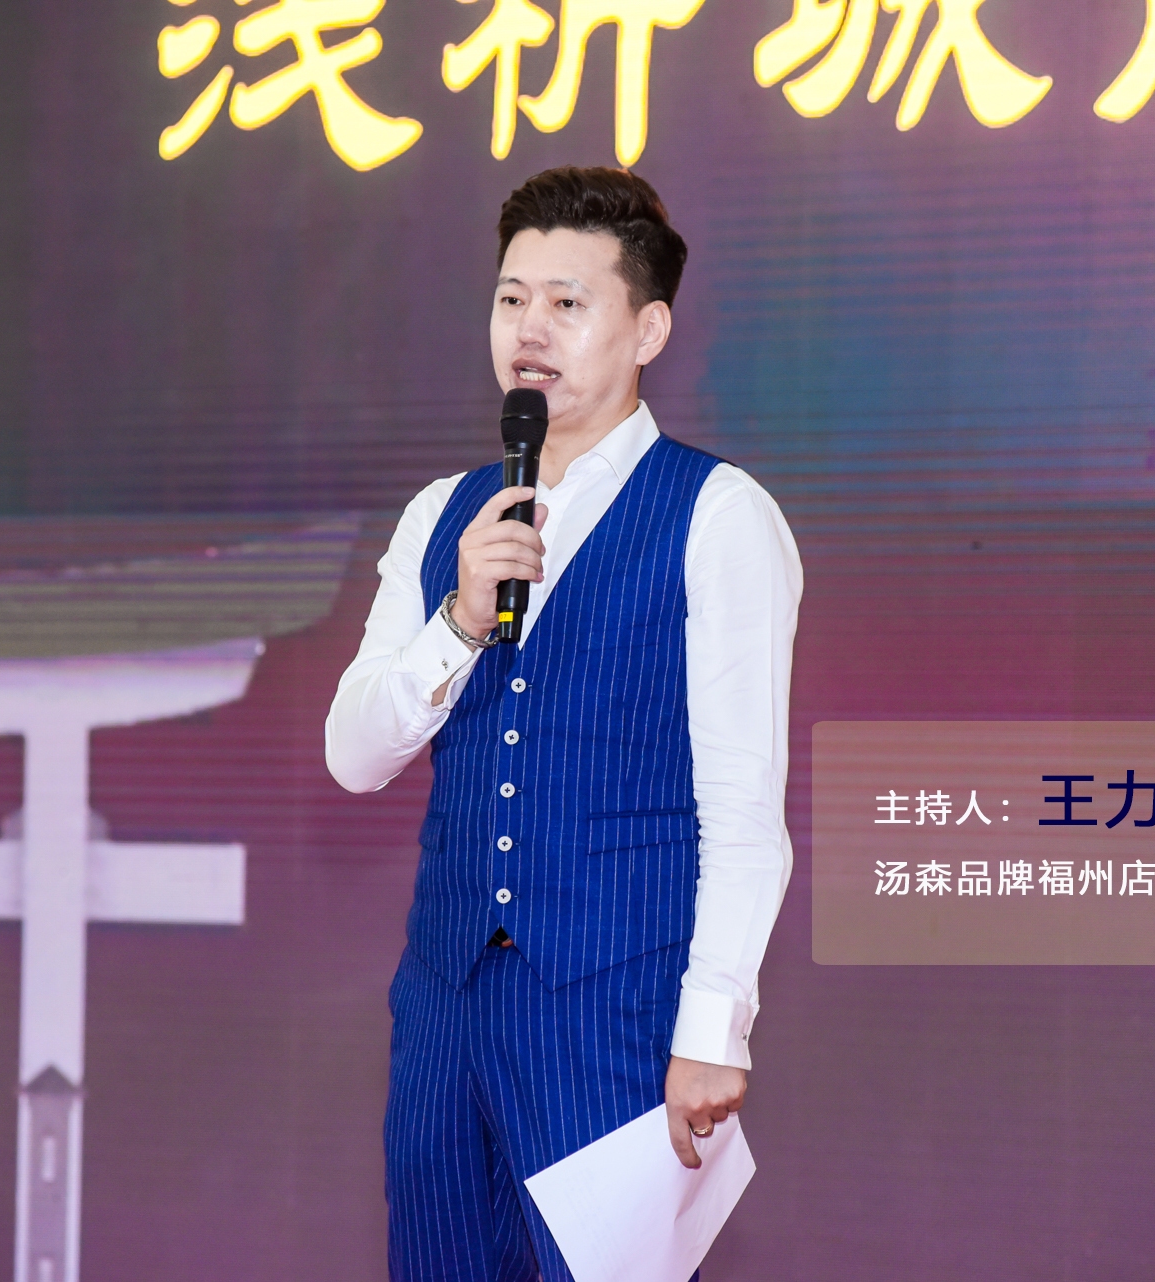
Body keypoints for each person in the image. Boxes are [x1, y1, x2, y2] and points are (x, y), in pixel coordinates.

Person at [325, 165, 800, 1280]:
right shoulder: (443, 514)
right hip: (445, 1009)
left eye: (566, 303)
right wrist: (457, 621)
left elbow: (743, 805)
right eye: (510, 298)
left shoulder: (718, 514)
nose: (528, 329)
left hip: (616, 1012)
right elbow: (353, 755)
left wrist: (714, 1029)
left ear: (648, 329)